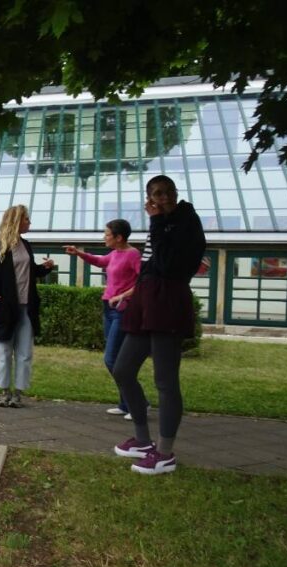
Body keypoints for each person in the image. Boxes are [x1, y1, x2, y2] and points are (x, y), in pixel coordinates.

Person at [112, 175, 205, 475]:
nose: (161, 198)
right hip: (146, 301)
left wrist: (155, 222)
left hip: (167, 301)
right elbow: (150, 265)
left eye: (166, 193)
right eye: (155, 194)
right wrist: (132, 293)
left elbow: (168, 264)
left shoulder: (185, 222)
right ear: (148, 197)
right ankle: (142, 440)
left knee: (165, 380)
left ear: (175, 194)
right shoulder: (163, 223)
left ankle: (164, 452)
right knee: (123, 369)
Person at [64, 220, 142, 417]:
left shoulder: (133, 255)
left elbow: (144, 284)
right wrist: (79, 253)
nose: (104, 237)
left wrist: (122, 295)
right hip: (109, 309)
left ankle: (138, 403)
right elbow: (100, 261)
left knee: (112, 359)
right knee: (116, 359)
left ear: (119, 237)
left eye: (107, 234)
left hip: (122, 310)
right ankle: (127, 404)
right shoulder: (115, 253)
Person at [0, 205, 54, 408]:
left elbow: (30, 272)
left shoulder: (26, 245)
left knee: (24, 353)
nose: (29, 223)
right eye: (27, 219)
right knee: (4, 352)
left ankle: (18, 393)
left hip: (27, 309)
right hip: (7, 310)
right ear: (17, 221)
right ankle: (4, 391)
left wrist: (46, 268)